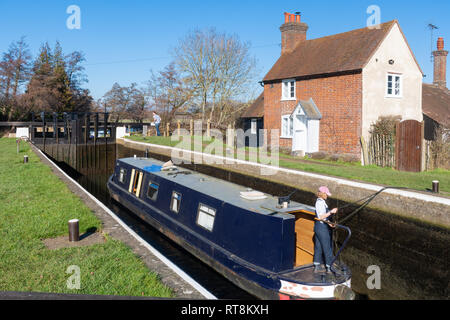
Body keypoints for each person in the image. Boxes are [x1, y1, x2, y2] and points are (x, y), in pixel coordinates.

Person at [313, 186, 338, 274]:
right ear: (322, 194)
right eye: (326, 194)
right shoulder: (320, 203)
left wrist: (329, 223)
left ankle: (317, 266)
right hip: (321, 228)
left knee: (318, 247)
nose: (327, 195)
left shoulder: (320, 201)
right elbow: (320, 217)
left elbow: (322, 217)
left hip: (318, 227)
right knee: (327, 248)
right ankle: (329, 268)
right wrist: (331, 212)